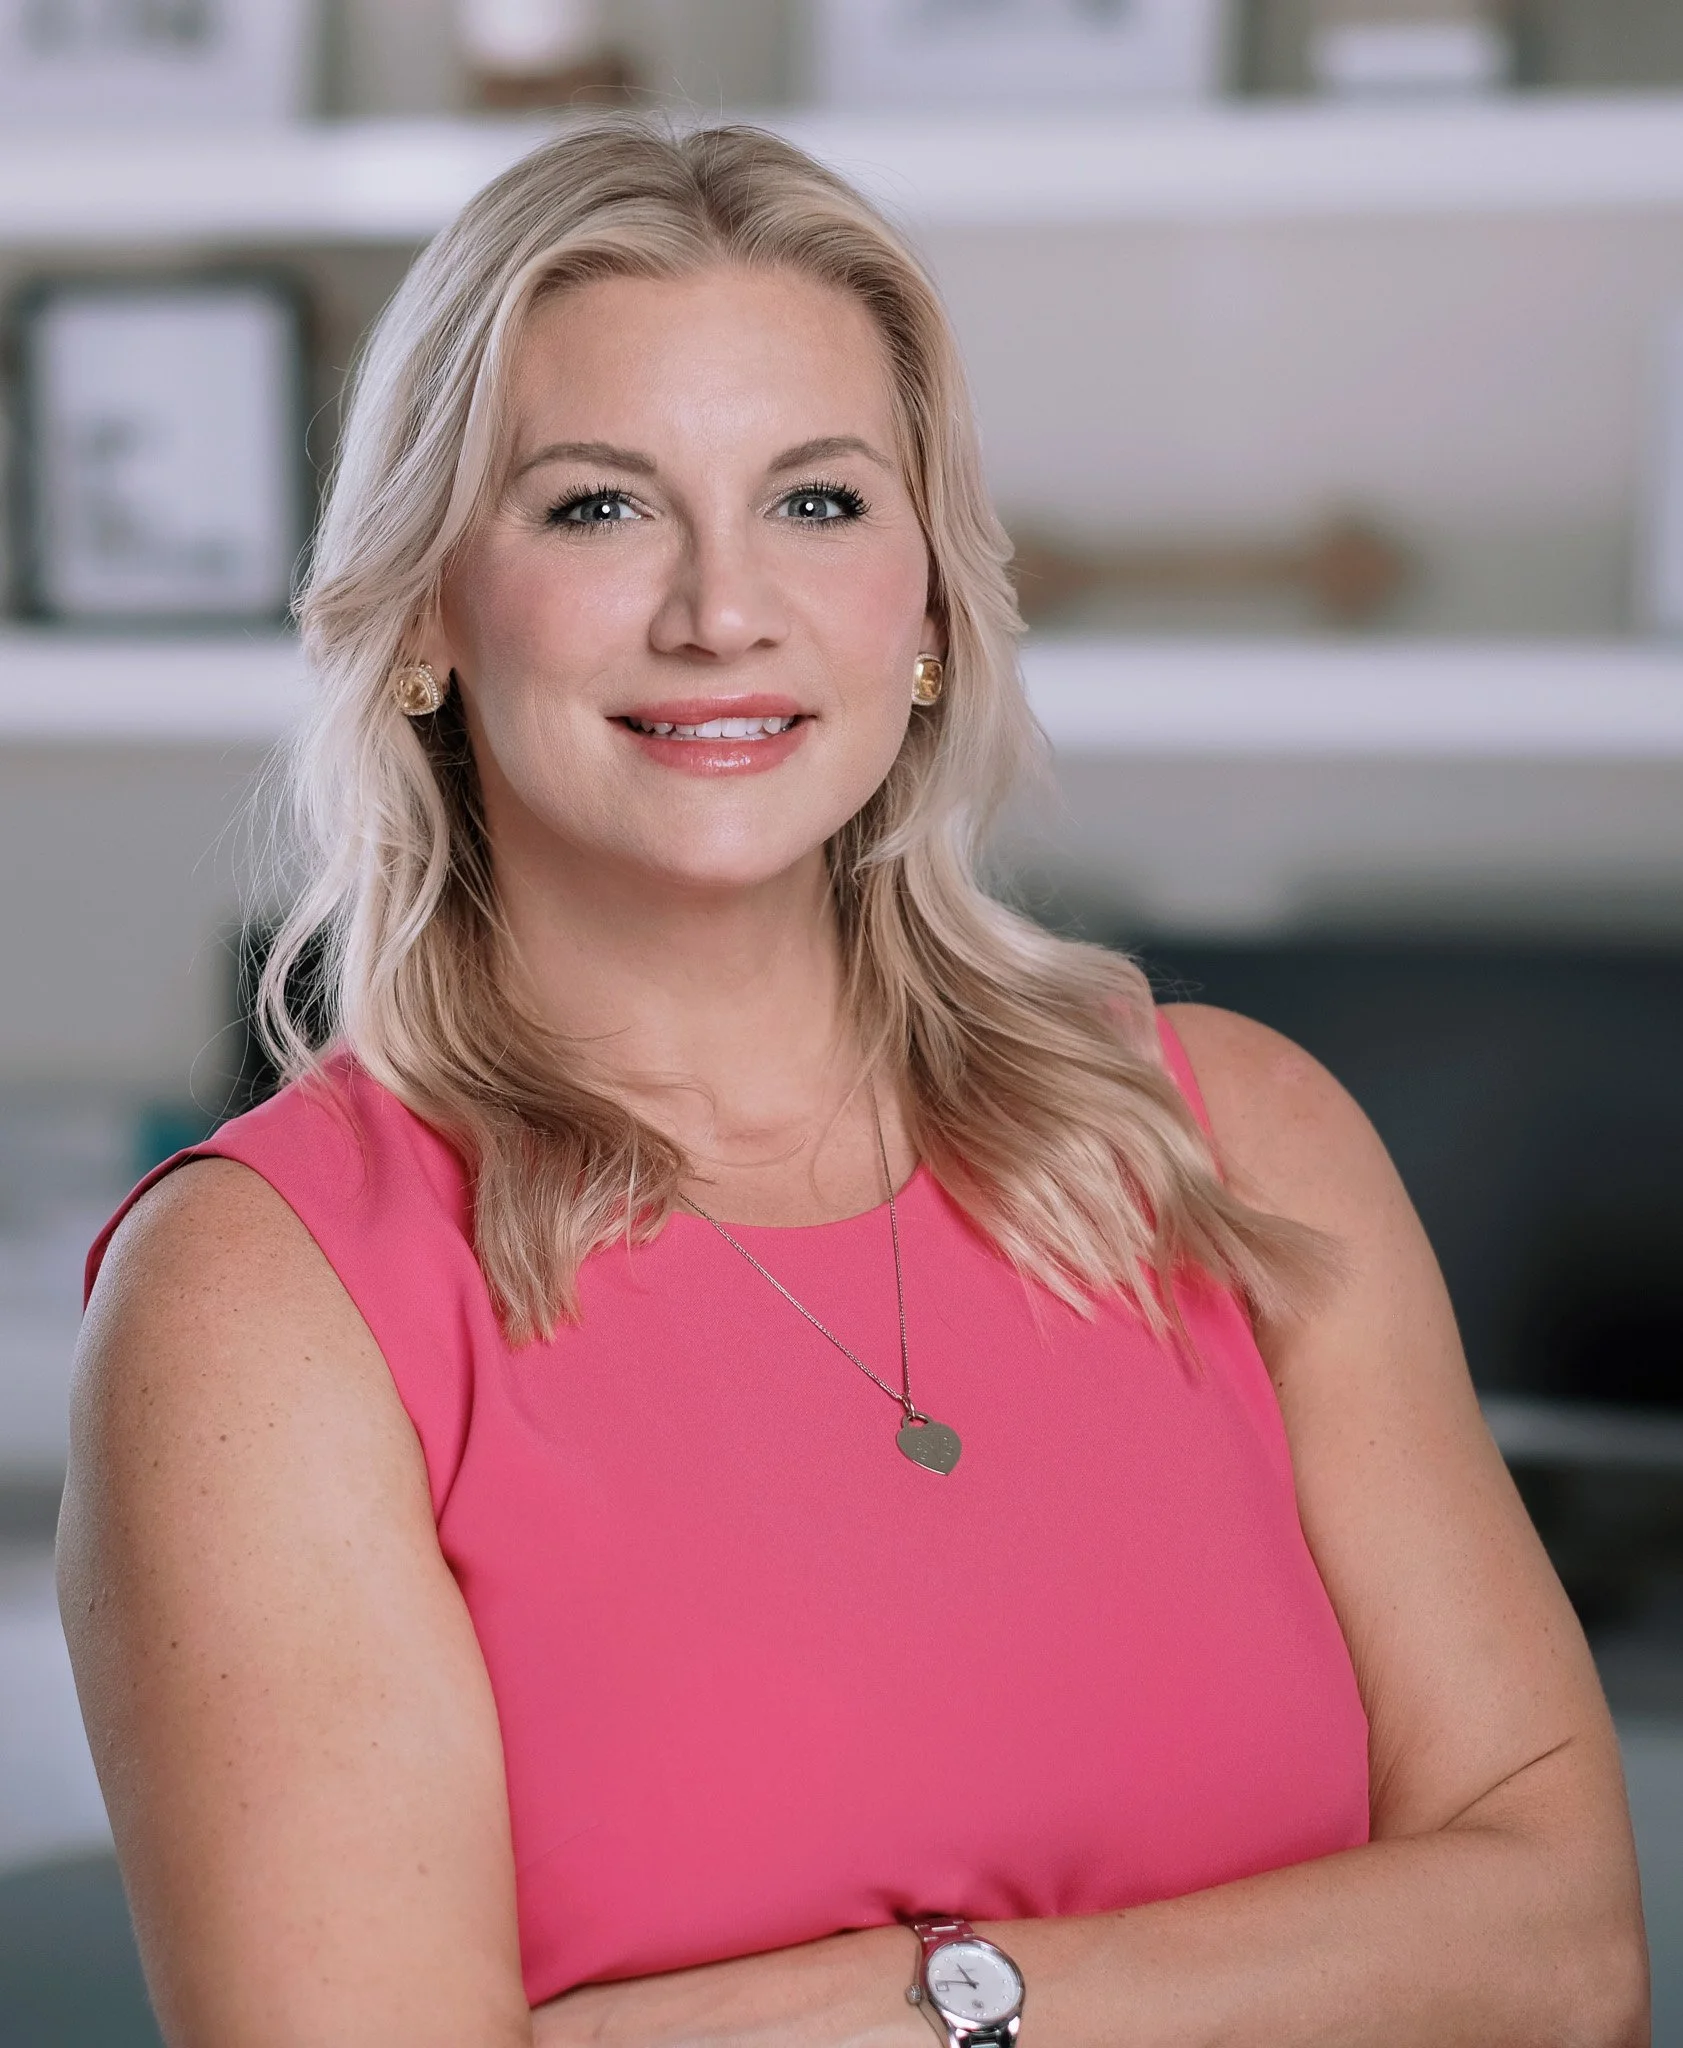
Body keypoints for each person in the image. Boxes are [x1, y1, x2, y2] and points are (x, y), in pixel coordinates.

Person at [61, 122, 1646, 2048]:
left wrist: (924, 2003)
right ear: (421, 615)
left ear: (929, 609)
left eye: (816, 502)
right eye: (595, 508)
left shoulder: (1237, 1145)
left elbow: (1565, 1956)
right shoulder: (263, 1296)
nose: (722, 610)